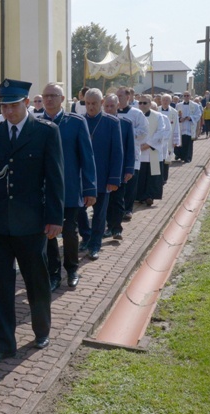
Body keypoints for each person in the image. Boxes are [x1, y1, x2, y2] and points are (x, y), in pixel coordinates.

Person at [0, 78, 64, 363]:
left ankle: (41, 329)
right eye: (4, 106)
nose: (8, 111)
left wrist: (55, 218)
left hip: (32, 223)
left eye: (14, 105)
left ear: (27, 103)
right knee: (0, 285)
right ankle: (3, 344)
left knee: (36, 280)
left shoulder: (45, 132)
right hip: (0, 223)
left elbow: (55, 179)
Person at [40, 83, 96, 291]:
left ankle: (72, 269)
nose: (49, 99)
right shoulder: (36, 123)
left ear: (63, 99)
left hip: (70, 187)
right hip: (44, 189)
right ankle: (54, 273)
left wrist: (89, 189)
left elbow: (87, 157)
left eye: (54, 95)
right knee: (48, 232)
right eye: (46, 95)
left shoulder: (75, 122)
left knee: (70, 231)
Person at [81, 88, 123, 261]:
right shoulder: (79, 121)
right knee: (78, 212)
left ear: (102, 103)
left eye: (94, 104)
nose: (91, 107)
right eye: (88, 104)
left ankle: (95, 245)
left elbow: (117, 152)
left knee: (99, 214)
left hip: (102, 176)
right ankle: (86, 236)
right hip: (81, 177)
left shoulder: (112, 123)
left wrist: (114, 178)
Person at [103, 93, 135, 241]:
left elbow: (130, 148)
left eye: (112, 106)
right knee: (104, 201)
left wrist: (129, 168)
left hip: (119, 170)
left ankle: (116, 228)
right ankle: (106, 227)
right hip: (102, 169)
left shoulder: (125, 124)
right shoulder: (98, 123)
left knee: (117, 200)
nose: (109, 109)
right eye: (107, 106)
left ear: (117, 106)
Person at [115, 86, 148, 221]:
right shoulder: (112, 112)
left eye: (120, 96)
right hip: (116, 154)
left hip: (132, 152)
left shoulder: (136, 114)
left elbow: (144, 132)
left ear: (128, 98)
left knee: (130, 183)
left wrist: (128, 133)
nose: (118, 99)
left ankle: (128, 209)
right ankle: (116, 209)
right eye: (116, 96)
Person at [136, 95, 167, 206]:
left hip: (152, 150)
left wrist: (148, 144)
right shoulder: (135, 115)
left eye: (145, 103)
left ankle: (150, 196)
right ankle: (139, 196)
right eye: (140, 103)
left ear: (150, 104)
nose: (142, 105)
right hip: (138, 149)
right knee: (140, 174)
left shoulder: (158, 116)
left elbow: (161, 131)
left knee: (152, 175)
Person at [159, 94, 181, 183]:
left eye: (167, 100)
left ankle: (164, 177)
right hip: (158, 139)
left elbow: (176, 126)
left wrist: (176, 140)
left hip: (169, 139)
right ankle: (158, 178)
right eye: (163, 100)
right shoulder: (156, 110)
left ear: (170, 101)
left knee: (167, 159)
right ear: (161, 101)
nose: (165, 102)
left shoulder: (174, 112)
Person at [176, 92, 201, 163]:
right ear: (183, 97)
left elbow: (198, 114)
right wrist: (179, 119)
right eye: (185, 96)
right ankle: (182, 156)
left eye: (188, 95)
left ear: (190, 96)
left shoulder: (195, 105)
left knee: (189, 143)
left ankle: (188, 158)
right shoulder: (178, 105)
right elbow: (175, 114)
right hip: (182, 126)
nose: (186, 97)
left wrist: (190, 118)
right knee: (182, 142)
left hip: (190, 126)